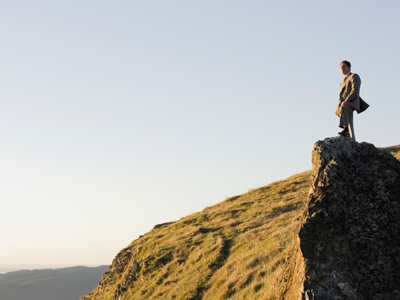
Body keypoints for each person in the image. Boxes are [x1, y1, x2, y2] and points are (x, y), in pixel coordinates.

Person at [335, 60, 369, 140]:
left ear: (349, 67)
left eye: (344, 66)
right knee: (350, 122)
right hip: (344, 103)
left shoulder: (354, 76)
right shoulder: (342, 82)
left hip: (352, 102)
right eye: (341, 67)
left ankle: (345, 129)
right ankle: (352, 139)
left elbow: (355, 90)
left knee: (345, 108)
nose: (342, 68)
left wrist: (346, 101)